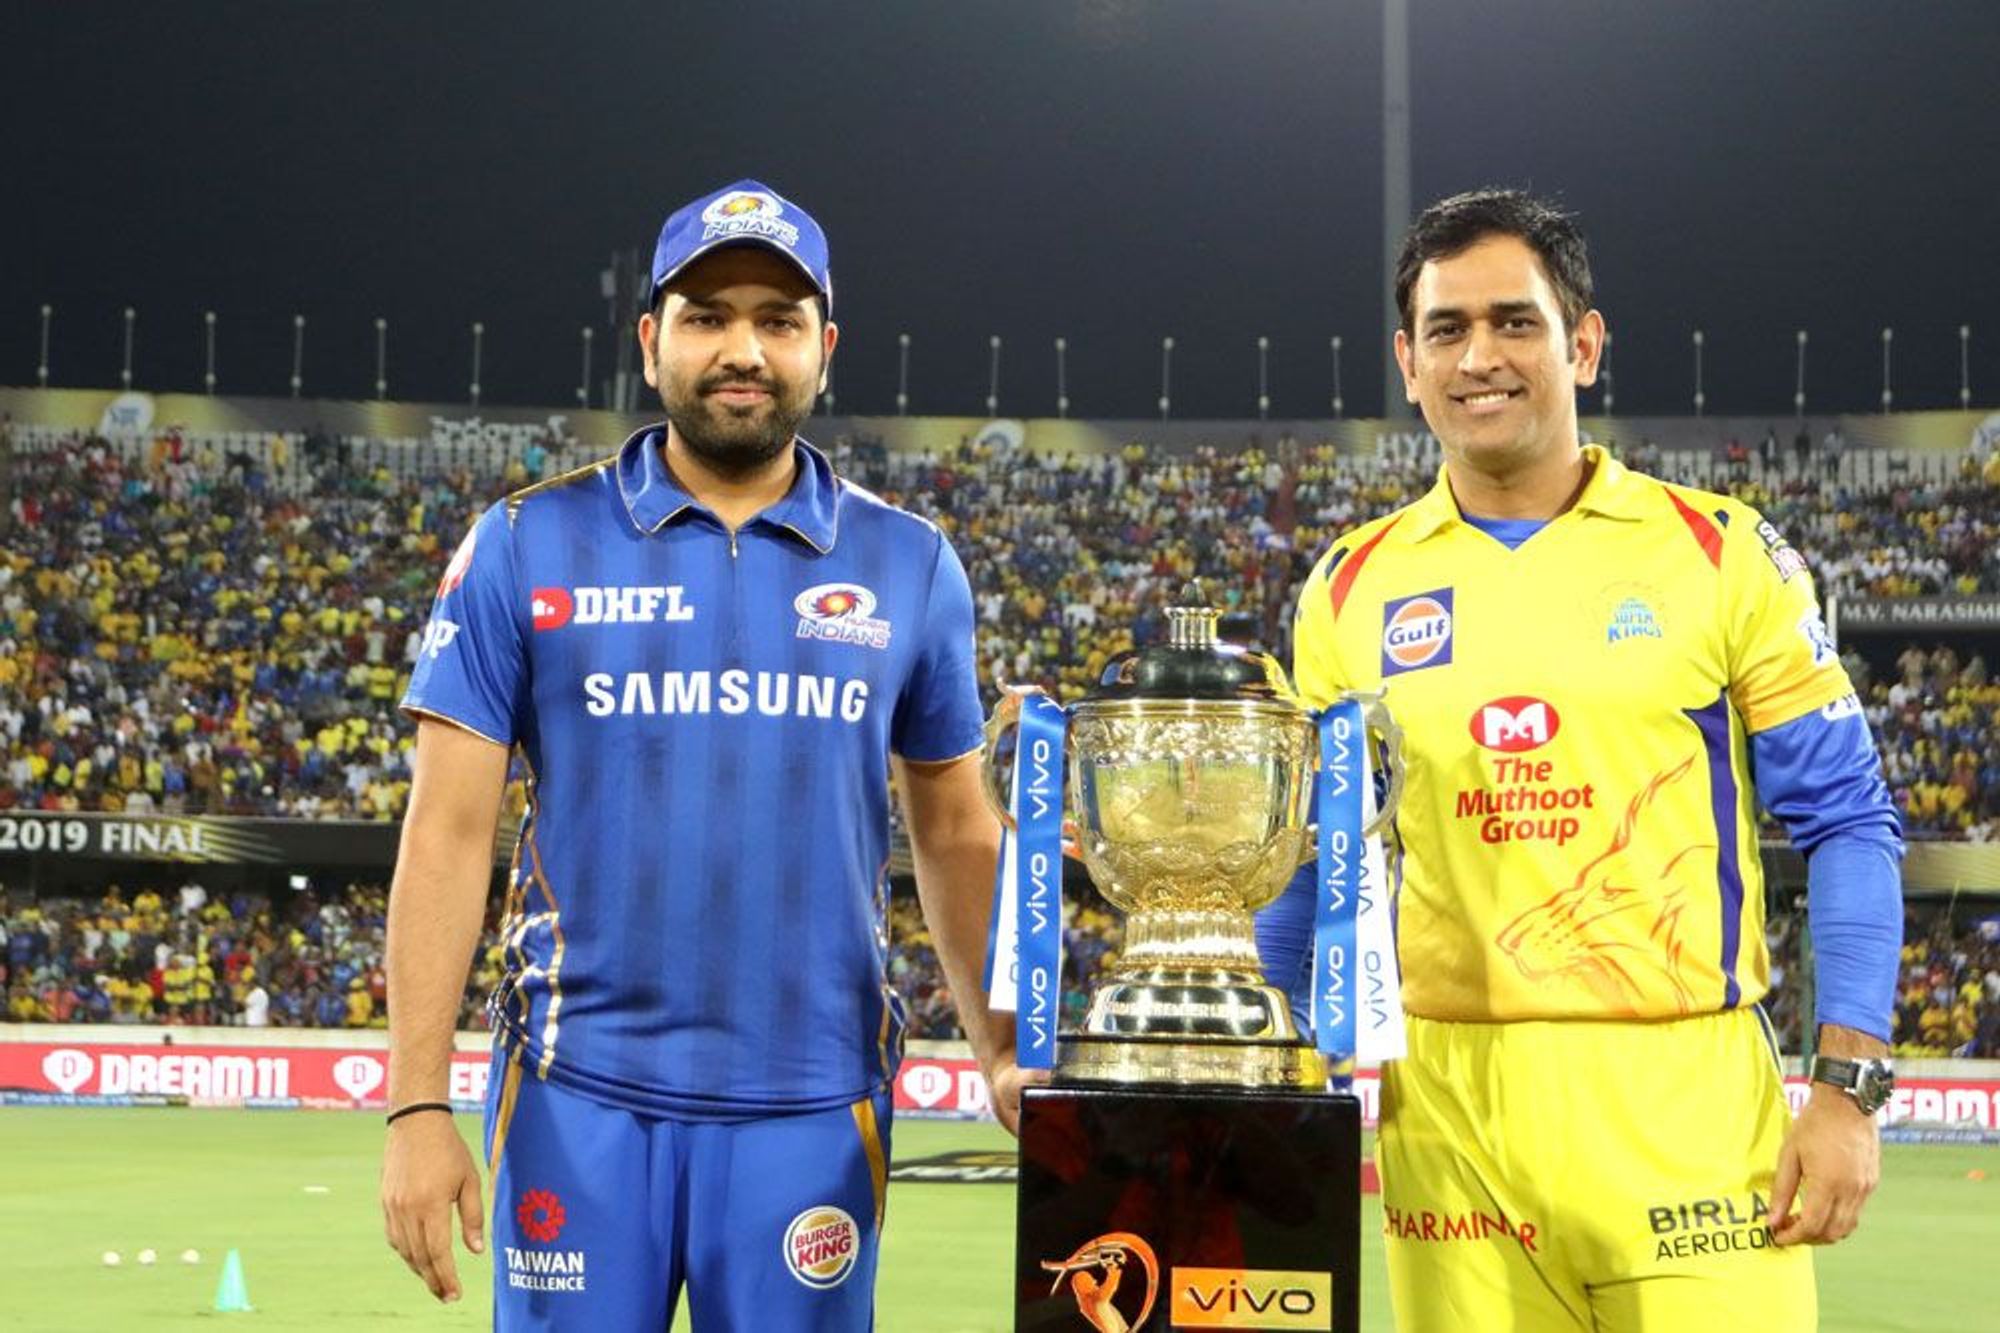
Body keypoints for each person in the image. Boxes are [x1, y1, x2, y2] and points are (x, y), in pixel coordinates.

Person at [378, 179, 1022, 1328]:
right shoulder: (525, 539)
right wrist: (414, 1106)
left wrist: (1004, 1047)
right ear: (649, 340)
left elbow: (956, 830)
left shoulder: (911, 563)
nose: (742, 349)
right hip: (577, 1102)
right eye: (706, 315)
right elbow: (446, 829)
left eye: (777, 321)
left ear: (824, 347)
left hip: (814, 1107)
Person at [1263, 189, 1902, 1330]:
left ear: (1584, 344)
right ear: (1405, 361)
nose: (1480, 357)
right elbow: (1307, 863)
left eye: (1515, 322)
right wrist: (1260, 1069)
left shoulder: (1720, 554)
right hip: (1448, 1114)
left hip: (1685, 1105)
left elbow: (1847, 822)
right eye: (1447, 330)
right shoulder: (1345, 591)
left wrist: (1846, 1088)